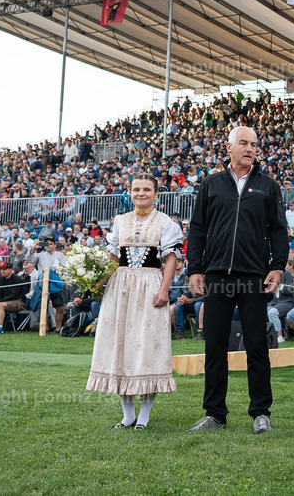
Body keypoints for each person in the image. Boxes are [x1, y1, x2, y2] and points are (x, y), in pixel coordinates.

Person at [187, 127, 290, 434]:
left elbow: (278, 230)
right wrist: (195, 268)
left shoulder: (267, 186)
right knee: (214, 345)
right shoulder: (211, 184)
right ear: (229, 147)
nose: (250, 148)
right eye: (243, 143)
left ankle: (261, 412)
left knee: (257, 344)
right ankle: (214, 414)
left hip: (254, 276)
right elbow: (197, 229)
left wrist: (277, 266)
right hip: (217, 275)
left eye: (254, 144)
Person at [85, 174, 183, 430]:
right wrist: (99, 281)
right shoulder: (120, 221)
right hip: (121, 287)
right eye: (136, 189)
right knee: (121, 345)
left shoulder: (165, 223)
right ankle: (127, 414)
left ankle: (144, 416)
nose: (141, 193)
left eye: (147, 189)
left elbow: (170, 258)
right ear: (130, 192)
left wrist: (164, 288)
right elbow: (113, 257)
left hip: (150, 284)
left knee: (147, 346)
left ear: (156, 194)